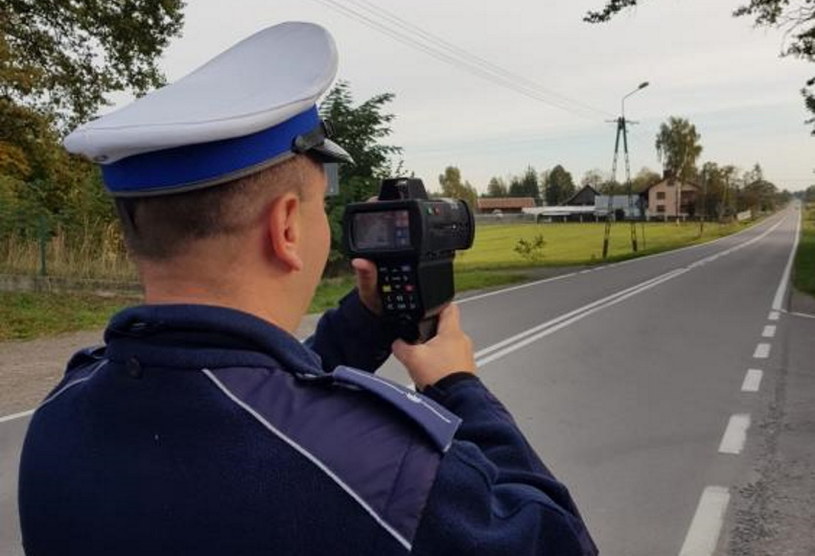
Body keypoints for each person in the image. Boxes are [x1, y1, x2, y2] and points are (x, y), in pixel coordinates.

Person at [18, 22, 597, 555]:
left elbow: (242, 402)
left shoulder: (61, 416)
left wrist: (366, 322)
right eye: (322, 206)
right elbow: (561, 542)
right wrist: (459, 386)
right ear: (287, 226)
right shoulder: (391, 474)